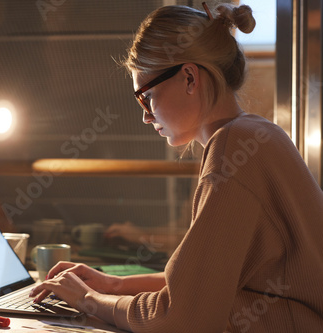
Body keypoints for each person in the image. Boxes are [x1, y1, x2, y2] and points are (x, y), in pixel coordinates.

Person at [29, 2, 323, 332]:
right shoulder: (256, 134)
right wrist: (111, 285)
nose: (145, 115)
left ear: (188, 77)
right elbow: (202, 284)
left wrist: (88, 300)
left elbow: (182, 316)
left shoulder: (235, 146)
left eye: (147, 96)